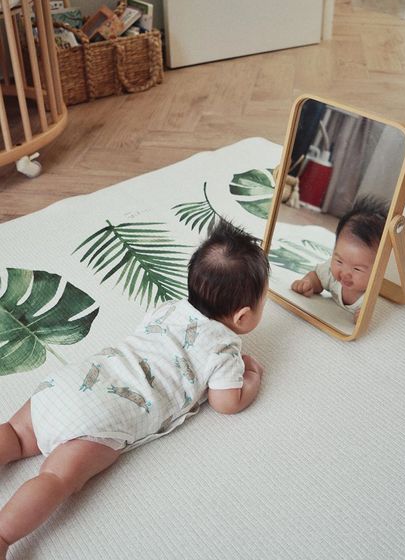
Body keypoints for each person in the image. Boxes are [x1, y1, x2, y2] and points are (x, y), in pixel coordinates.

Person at [0, 219, 269, 559]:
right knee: (55, 478)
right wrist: (251, 379)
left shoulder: (168, 308)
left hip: (75, 380)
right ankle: (4, 535)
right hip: (104, 419)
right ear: (243, 317)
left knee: (14, 434)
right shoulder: (223, 348)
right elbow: (226, 402)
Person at [291, 196, 388, 321]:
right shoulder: (331, 272)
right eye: (339, 261)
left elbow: (384, 317)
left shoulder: (375, 296)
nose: (345, 273)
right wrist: (308, 283)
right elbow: (317, 278)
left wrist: (367, 316)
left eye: (357, 269)